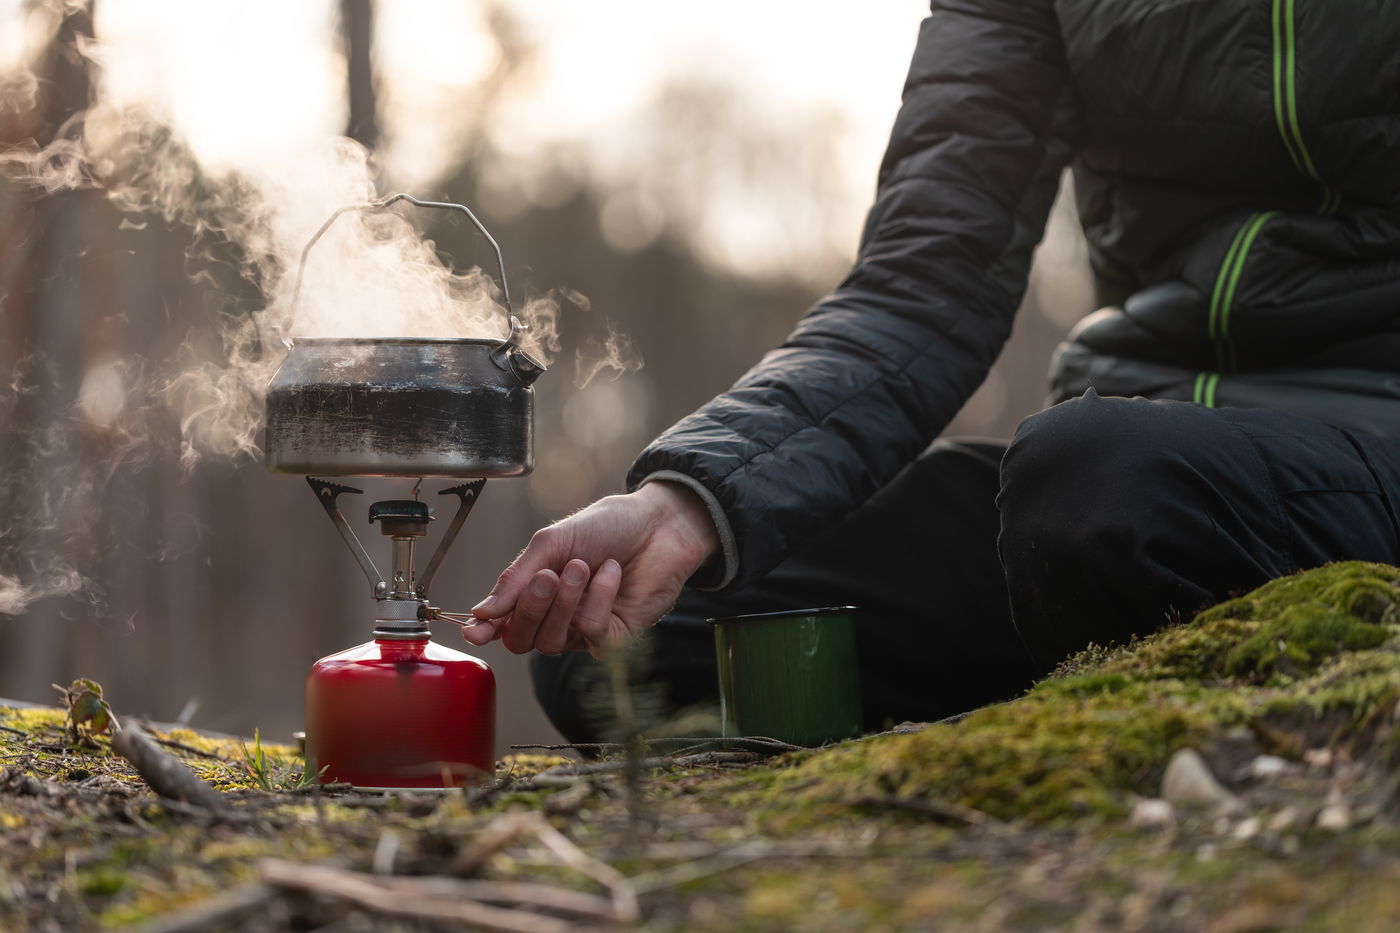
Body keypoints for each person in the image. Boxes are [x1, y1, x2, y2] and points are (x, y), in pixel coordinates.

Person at [464, 0, 1400, 743]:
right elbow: (922, 287)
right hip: (1128, 487)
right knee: (620, 643)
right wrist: (689, 507)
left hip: (1326, 464)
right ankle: (1051, 706)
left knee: (1103, 486)